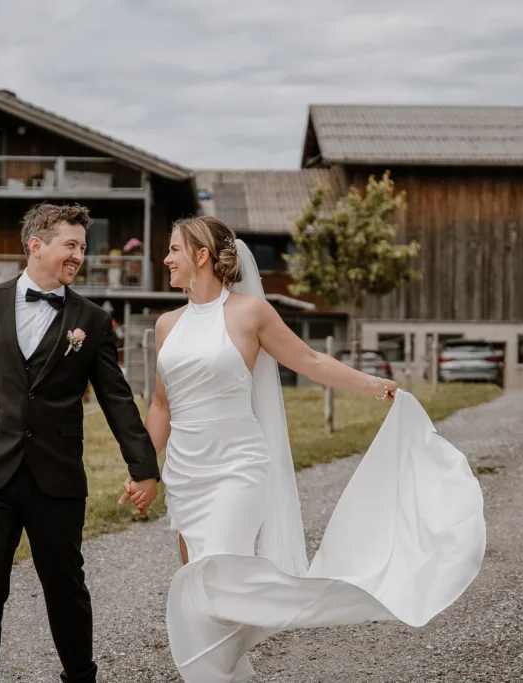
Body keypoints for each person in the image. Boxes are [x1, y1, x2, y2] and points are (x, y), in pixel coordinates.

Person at [125, 217, 485, 682]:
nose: (166, 258)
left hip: (238, 468)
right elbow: (160, 404)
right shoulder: (165, 325)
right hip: (186, 475)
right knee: (202, 588)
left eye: (174, 249)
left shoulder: (250, 313)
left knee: (217, 577)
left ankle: (352, 596)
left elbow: (310, 360)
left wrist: (373, 385)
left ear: (201, 256)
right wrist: (142, 469)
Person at [0, 202, 159, 683]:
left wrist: (144, 467)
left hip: (57, 475)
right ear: (36, 245)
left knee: (66, 589)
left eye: (82, 248)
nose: (78, 255)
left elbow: (117, 400)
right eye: (71, 245)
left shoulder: (92, 319)